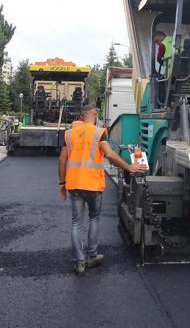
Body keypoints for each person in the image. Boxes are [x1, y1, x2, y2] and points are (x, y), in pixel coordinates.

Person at [58, 105, 146, 275]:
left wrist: (62, 183)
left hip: (74, 184)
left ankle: (79, 263)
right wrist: (129, 167)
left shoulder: (69, 134)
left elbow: (62, 160)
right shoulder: (99, 132)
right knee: (94, 218)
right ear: (95, 116)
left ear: (81, 117)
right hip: (93, 185)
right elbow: (110, 155)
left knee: (76, 223)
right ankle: (92, 255)